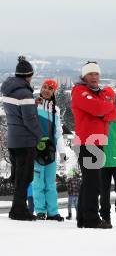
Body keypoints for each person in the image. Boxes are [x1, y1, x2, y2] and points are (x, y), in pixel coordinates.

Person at [71, 61, 116, 229]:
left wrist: (104, 111)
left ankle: (83, 218)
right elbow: (98, 109)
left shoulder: (100, 93)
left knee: (89, 181)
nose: (94, 77)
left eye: (96, 74)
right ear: (84, 76)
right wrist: (105, 110)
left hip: (98, 141)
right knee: (93, 182)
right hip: (87, 140)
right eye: (90, 74)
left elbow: (113, 114)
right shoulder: (79, 91)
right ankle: (91, 218)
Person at [1, 56, 42, 221]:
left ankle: (17, 208)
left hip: (13, 139)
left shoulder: (9, 90)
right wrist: (40, 136)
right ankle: (19, 211)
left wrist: (32, 104)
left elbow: (17, 113)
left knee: (19, 176)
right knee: (25, 177)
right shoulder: (25, 93)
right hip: (25, 141)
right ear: (28, 75)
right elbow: (29, 120)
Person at [32, 79, 67, 221]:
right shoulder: (34, 106)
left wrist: (62, 151)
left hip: (51, 151)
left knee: (50, 183)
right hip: (36, 150)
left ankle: (53, 212)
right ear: (41, 88)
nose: (46, 90)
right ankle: (40, 211)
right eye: (44, 87)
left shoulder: (55, 110)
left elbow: (58, 132)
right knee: (38, 183)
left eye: (50, 88)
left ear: (53, 92)